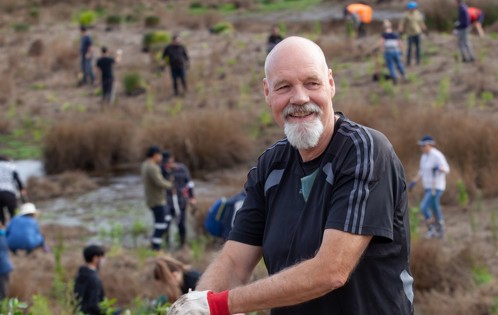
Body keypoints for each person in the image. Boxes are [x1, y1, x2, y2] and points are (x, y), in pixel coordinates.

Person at [169, 36, 413, 315]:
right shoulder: (270, 166)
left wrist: (217, 305)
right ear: (267, 92)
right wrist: (198, 302)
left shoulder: (364, 151)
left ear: (331, 84)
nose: (299, 98)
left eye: (312, 83)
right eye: (284, 87)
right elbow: (235, 262)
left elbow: (331, 271)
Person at [408, 135, 450, 239]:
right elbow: (421, 172)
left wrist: (439, 168)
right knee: (435, 208)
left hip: (436, 187)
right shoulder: (424, 157)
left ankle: (432, 230)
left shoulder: (437, 155)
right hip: (427, 187)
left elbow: (446, 169)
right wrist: (413, 182)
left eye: (424, 145)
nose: (422, 148)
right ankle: (440, 231)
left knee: (424, 207)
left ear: (430, 144)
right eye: (420, 146)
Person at [161, 151, 195, 248]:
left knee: (181, 224)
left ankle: (182, 244)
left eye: (169, 161)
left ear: (173, 159)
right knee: (166, 224)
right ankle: (167, 245)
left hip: (181, 201)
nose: (168, 164)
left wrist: (192, 197)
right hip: (167, 202)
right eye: (166, 162)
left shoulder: (182, 169)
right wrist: (166, 170)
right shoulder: (161, 170)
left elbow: (189, 184)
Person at [141, 145, 172, 251]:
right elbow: (159, 182)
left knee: (163, 221)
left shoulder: (145, 164)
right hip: (157, 200)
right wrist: (171, 185)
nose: (161, 157)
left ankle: (154, 242)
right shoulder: (152, 167)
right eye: (160, 155)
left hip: (151, 199)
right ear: (155, 155)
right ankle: (156, 247)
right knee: (161, 224)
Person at [73, 245, 106, 315]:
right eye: (101, 257)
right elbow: (93, 305)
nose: (103, 261)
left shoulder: (79, 275)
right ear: (95, 258)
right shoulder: (94, 279)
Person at [399, 1, 427, 67]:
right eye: (411, 8)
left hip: (417, 33)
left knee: (418, 48)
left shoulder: (418, 14)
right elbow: (401, 24)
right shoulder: (406, 15)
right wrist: (400, 32)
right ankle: (408, 62)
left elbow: (421, 23)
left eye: (414, 8)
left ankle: (418, 61)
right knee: (409, 48)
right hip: (410, 33)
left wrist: (425, 30)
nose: (412, 9)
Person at [0, 155, 26, 225]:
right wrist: (21, 189)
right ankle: (15, 229)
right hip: (10, 193)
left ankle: (2, 231)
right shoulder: (10, 166)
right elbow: (17, 179)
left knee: (1, 217)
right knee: (15, 214)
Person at [381, 20, 406, 85]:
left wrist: (383, 52)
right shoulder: (395, 34)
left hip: (388, 51)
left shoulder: (384, 35)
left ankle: (394, 77)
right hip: (396, 50)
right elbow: (399, 43)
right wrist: (402, 50)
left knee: (390, 65)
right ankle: (403, 75)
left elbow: (382, 44)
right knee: (398, 63)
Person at [0, 223, 13, 300]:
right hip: (5, 267)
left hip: (2, 268)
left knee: (3, 294)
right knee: (3, 291)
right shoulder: (4, 236)